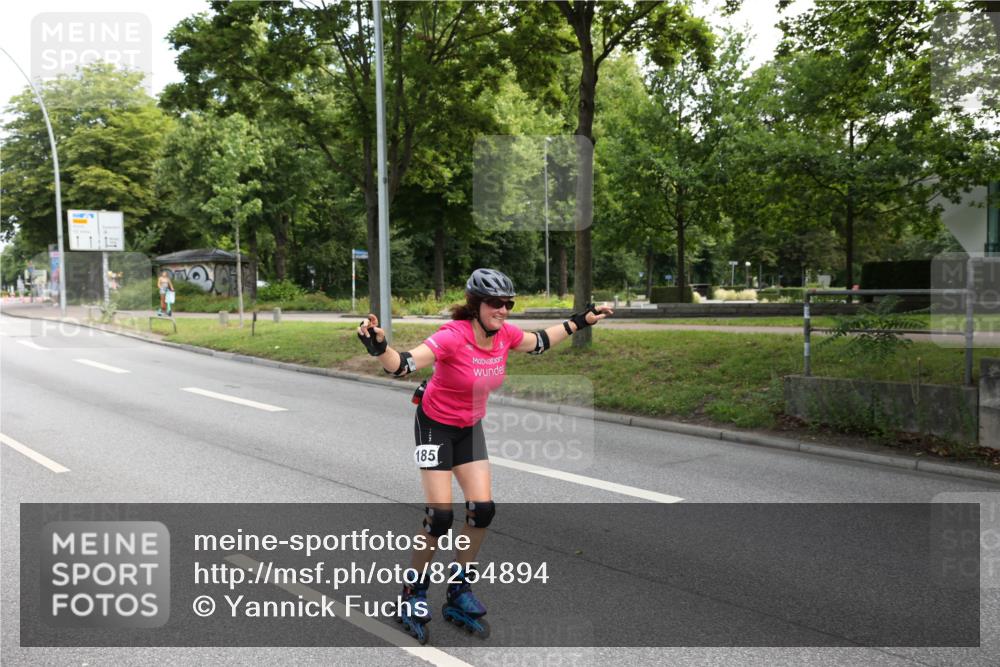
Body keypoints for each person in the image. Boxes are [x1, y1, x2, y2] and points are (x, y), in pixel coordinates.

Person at [357, 268, 613, 643]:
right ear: (476, 305)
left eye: (509, 303)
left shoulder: (504, 335)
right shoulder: (452, 336)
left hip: (468, 427)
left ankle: (459, 589)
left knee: (483, 509)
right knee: (440, 516)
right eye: (496, 303)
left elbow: (539, 341)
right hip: (435, 425)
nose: (504, 310)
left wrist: (581, 320)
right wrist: (379, 346)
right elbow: (405, 364)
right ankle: (412, 594)